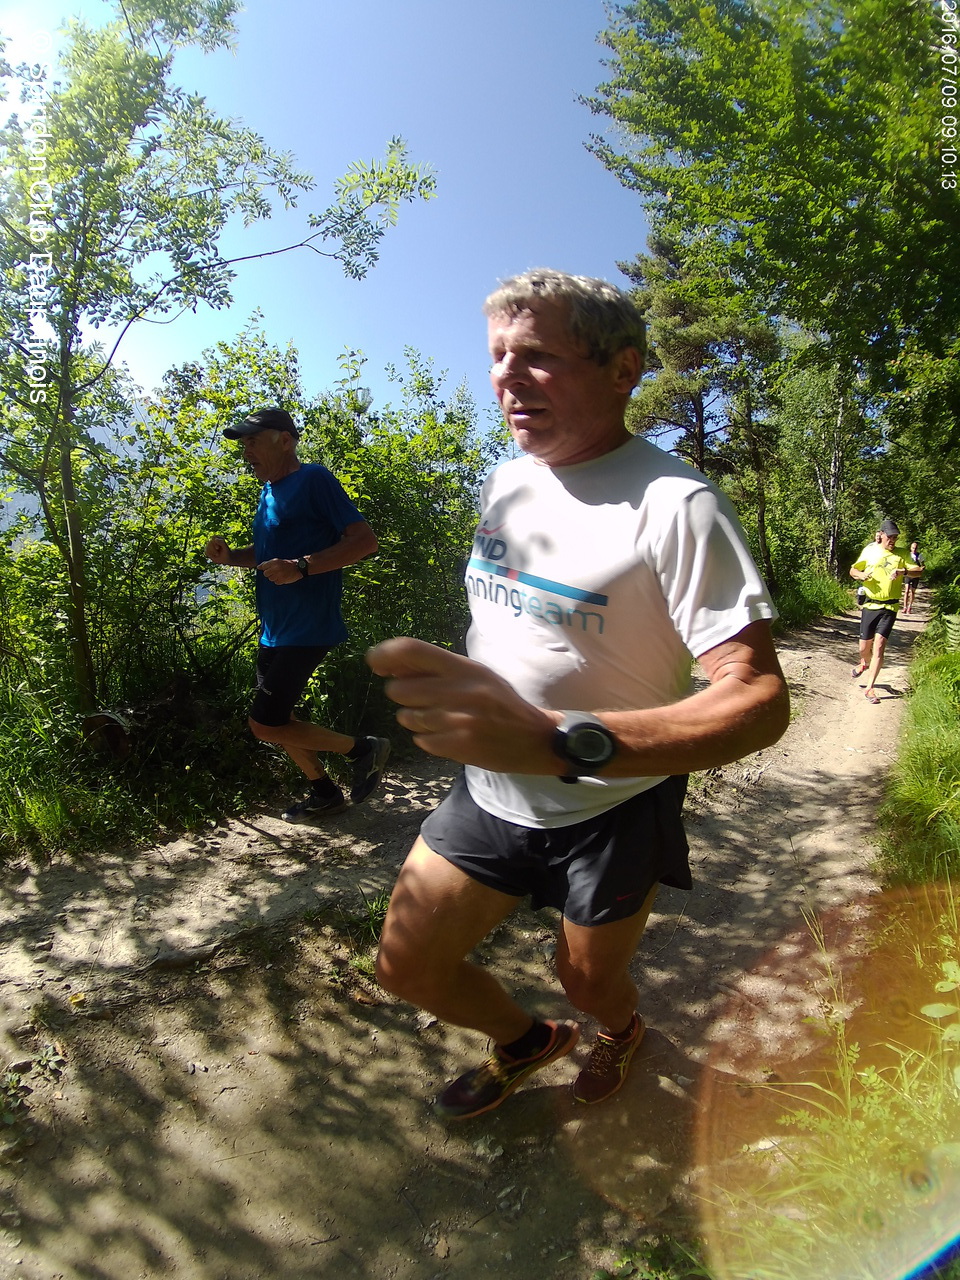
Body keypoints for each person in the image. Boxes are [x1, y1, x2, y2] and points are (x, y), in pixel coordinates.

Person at [366, 270, 790, 1120]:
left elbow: (758, 698)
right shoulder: (505, 481)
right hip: (489, 795)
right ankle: (527, 1042)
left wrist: (562, 738)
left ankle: (619, 1030)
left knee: (588, 980)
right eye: (497, 356)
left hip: (612, 807)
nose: (507, 376)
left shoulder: (678, 505)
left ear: (623, 369)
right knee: (406, 967)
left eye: (537, 356)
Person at [205, 408, 391, 821]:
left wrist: (302, 567)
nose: (246, 451)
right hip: (275, 628)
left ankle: (363, 749)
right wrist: (230, 556)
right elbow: (267, 555)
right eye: (244, 443)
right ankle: (324, 792)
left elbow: (364, 541)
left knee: (264, 724)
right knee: (281, 721)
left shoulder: (314, 479)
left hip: (309, 625)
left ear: (285, 440)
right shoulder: (268, 494)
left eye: (254, 440)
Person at [849, 518, 920, 705]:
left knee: (879, 646)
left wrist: (903, 572)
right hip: (870, 605)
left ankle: (870, 687)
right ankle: (864, 662)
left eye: (896, 537)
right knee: (864, 648)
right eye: (890, 537)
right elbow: (853, 570)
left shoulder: (902, 554)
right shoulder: (870, 550)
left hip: (890, 607)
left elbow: (918, 571)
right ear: (880, 535)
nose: (893, 540)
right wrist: (861, 575)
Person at [902, 540, 924, 615]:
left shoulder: (920, 555)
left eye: (915, 548)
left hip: (916, 575)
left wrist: (922, 568)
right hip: (908, 575)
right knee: (906, 591)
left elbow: (923, 565)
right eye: (913, 548)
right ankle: (904, 607)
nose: (914, 549)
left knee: (912, 592)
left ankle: (909, 606)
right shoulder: (907, 555)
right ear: (910, 548)